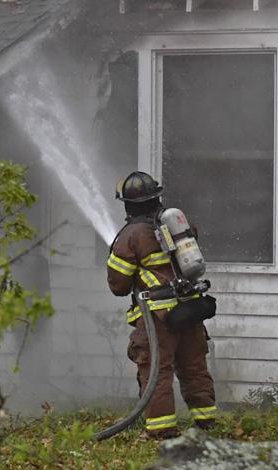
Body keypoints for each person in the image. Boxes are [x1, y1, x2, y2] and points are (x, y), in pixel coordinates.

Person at [106, 171, 216, 439]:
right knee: (194, 367)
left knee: (157, 370)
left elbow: (118, 286)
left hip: (158, 318)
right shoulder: (176, 224)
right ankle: (207, 423)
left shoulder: (130, 236)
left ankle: (161, 429)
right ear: (157, 197)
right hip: (189, 309)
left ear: (128, 204)